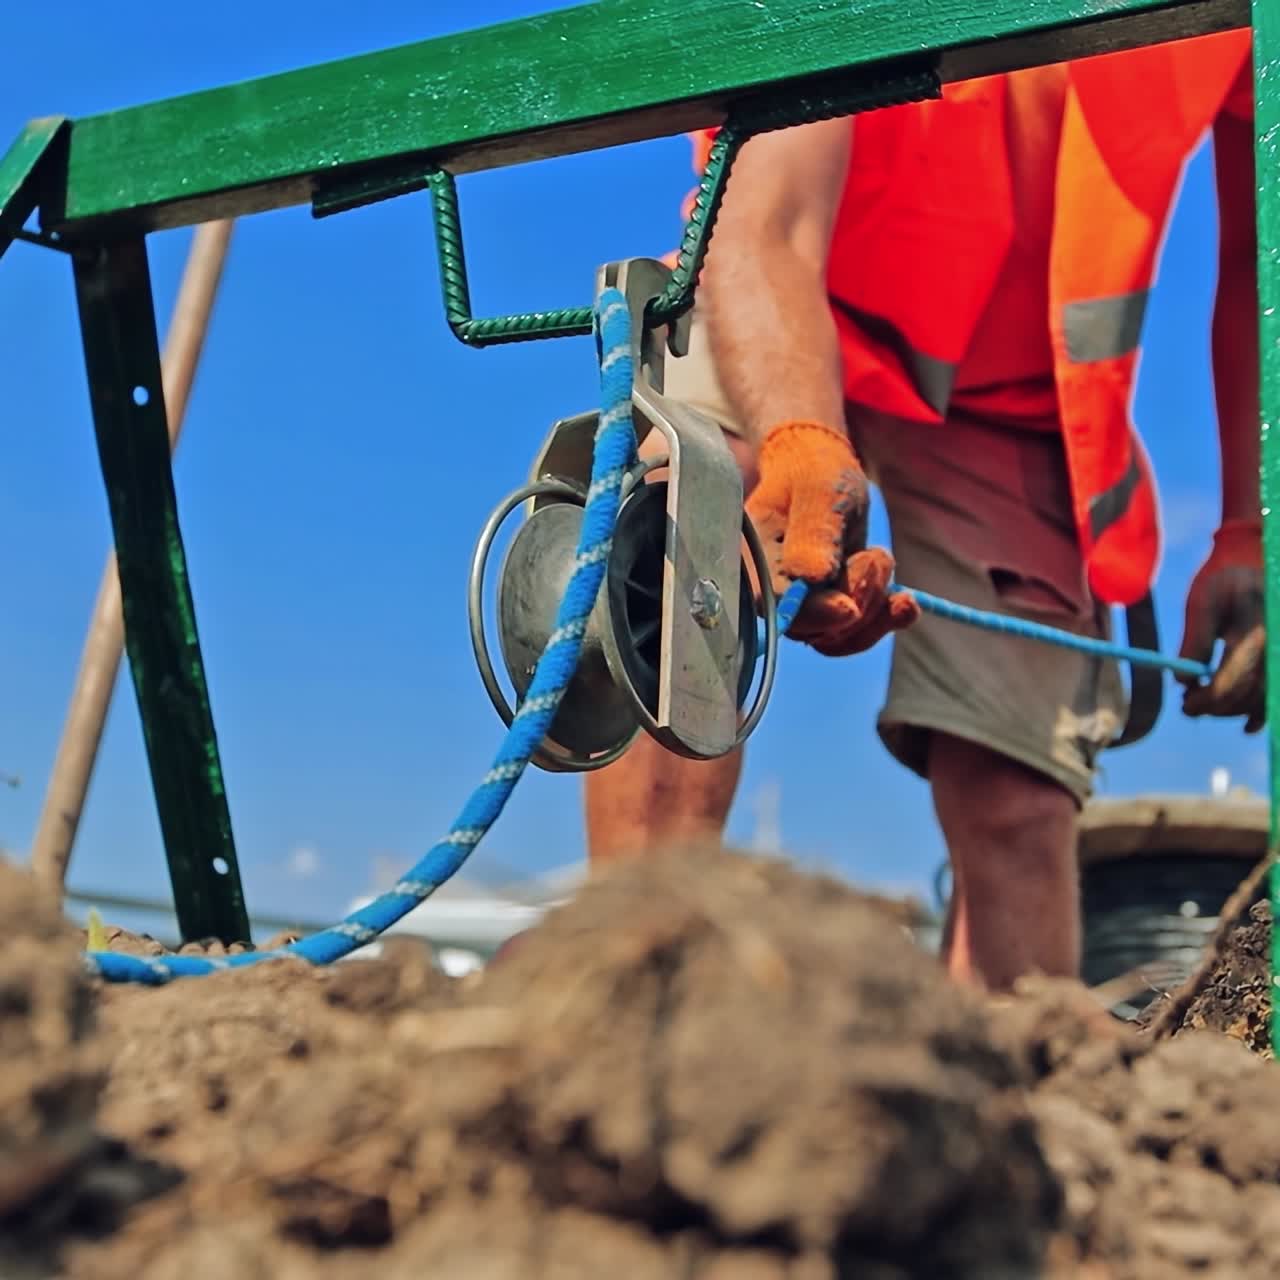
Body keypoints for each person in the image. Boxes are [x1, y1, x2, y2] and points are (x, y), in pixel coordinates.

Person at [581, 31, 1263, 992]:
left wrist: (1251, 530)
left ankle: (1017, 1091)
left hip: (1015, 396)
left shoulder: (1233, 18)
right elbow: (767, 220)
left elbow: (1260, 260)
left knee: (1018, 792)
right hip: (793, 308)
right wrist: (802, 441)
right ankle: (625, 979)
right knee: (687, 504)